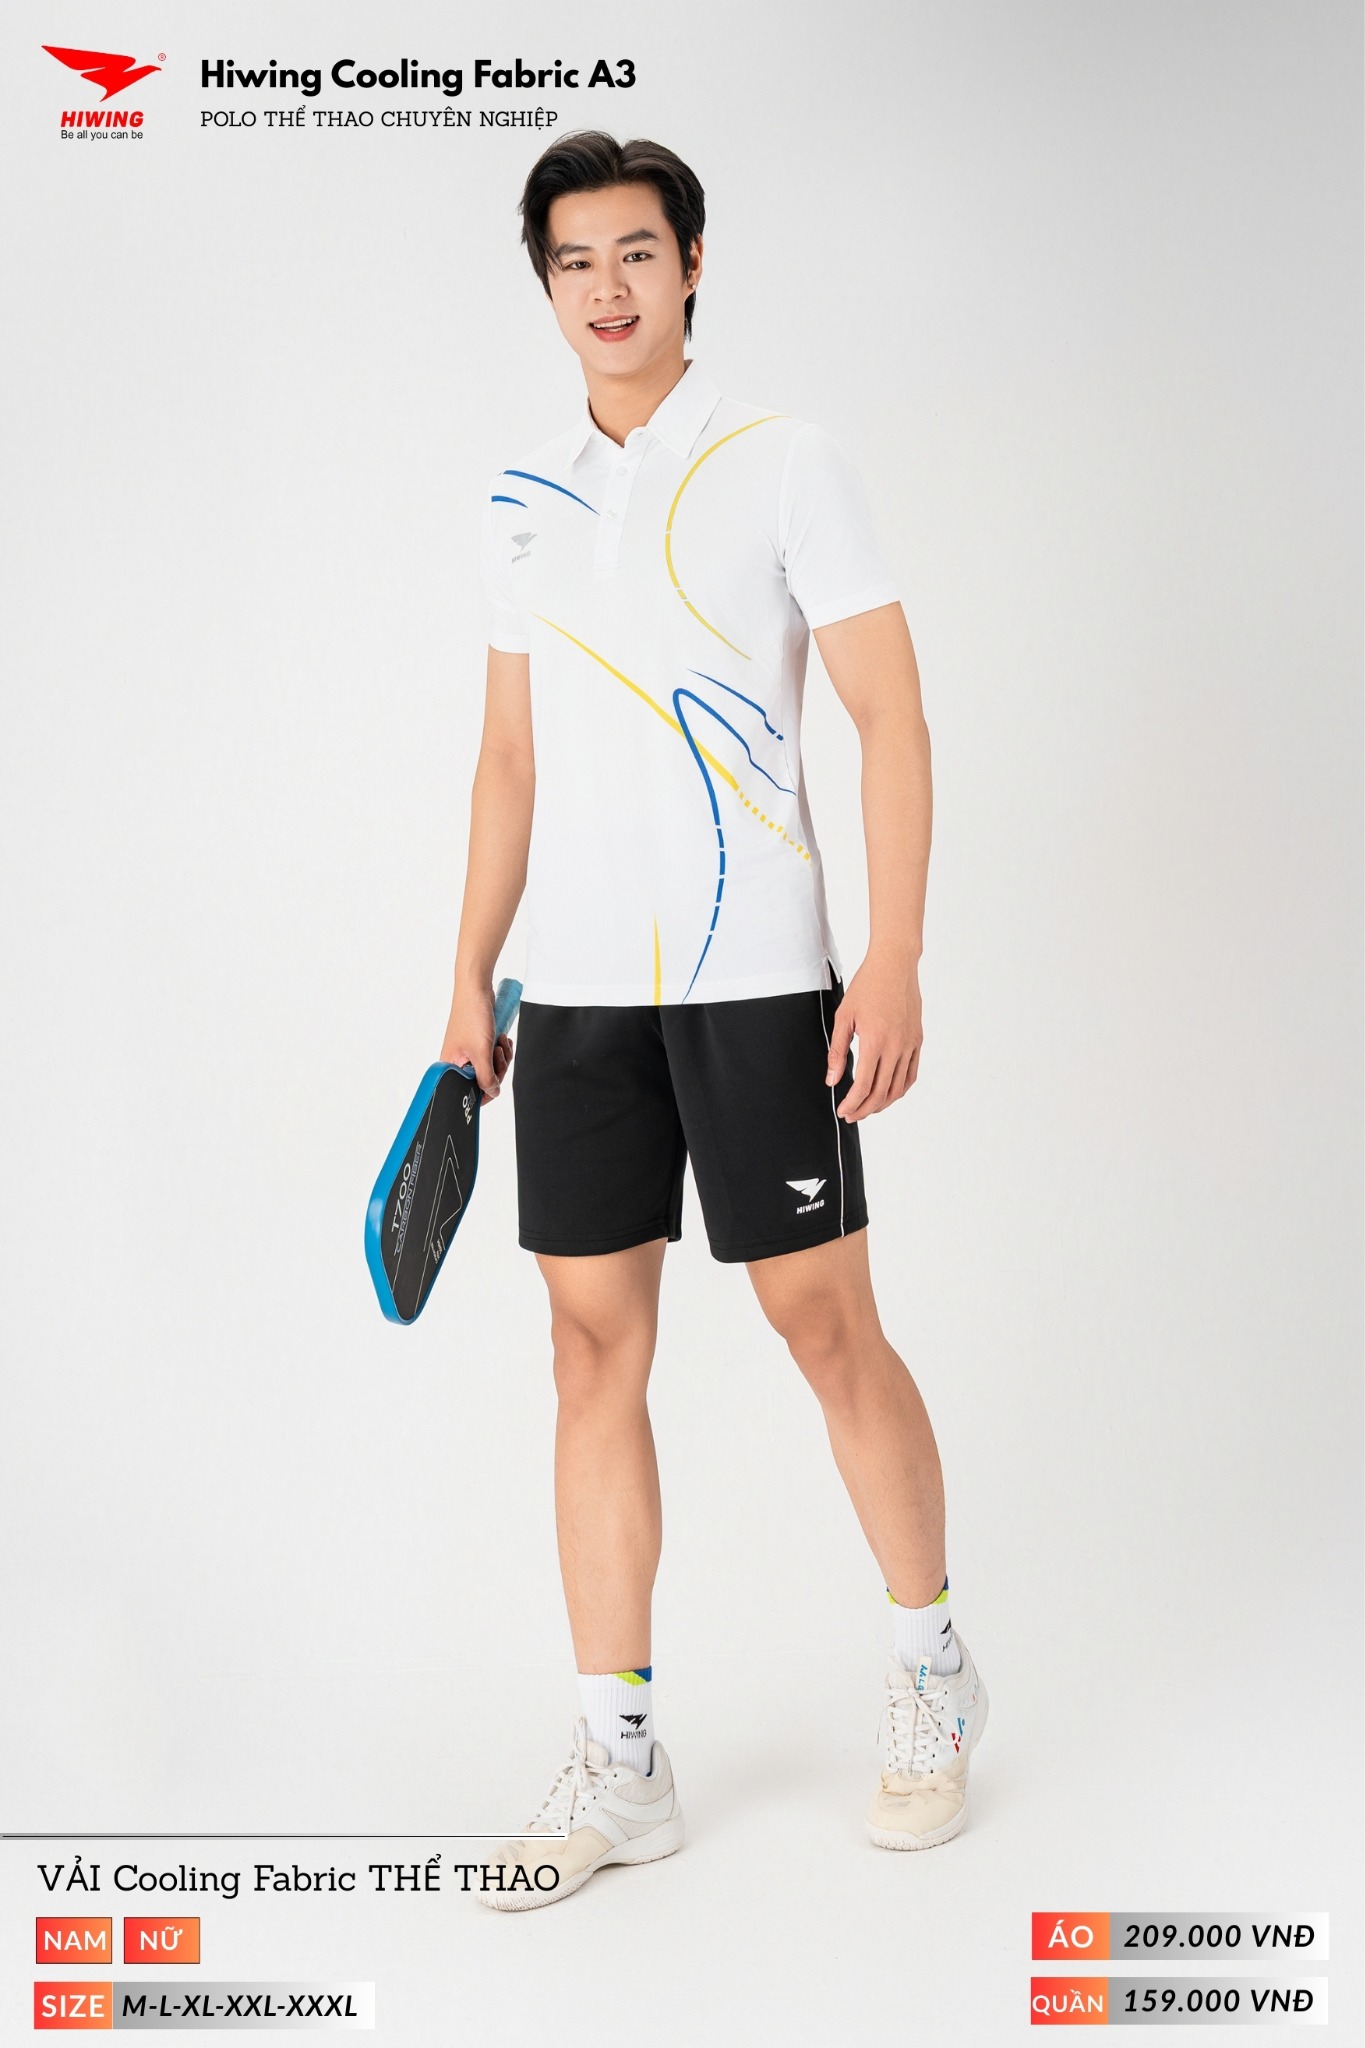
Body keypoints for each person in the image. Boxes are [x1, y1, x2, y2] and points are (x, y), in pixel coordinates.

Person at [440, 130, 985, 1911]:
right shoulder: (519, 493)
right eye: (573, 261)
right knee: (587, 1355)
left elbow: (890, 717)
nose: (606, 288)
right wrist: (467, 973)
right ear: (545, 285)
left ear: (689, 265)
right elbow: (508, 756)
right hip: (578, 999)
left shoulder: (784, 461)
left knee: (825, 1330)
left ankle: (929, 1670)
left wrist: (888, 956)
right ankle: (623, 1761)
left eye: (636, 253)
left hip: (760, 981)